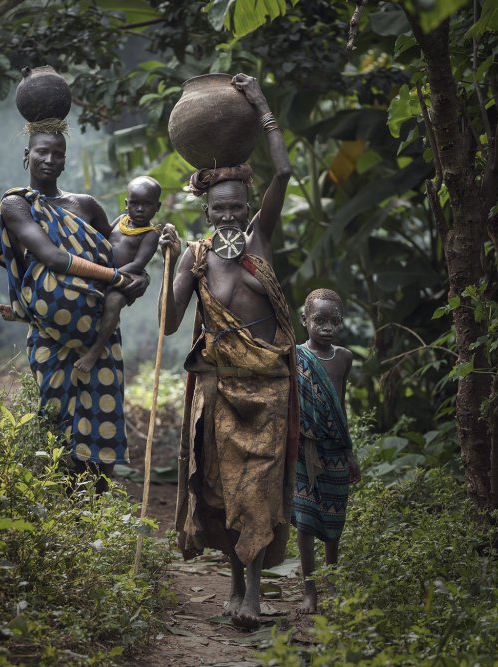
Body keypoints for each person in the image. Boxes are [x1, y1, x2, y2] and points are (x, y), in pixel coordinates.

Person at [158, 73, 296, 630]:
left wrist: (262, 103)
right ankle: (234, 590)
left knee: (259, 493)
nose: (231, 216)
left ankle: (254, 596)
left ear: (248, 205)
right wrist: (165, 263)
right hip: (219, 393)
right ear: (206, 212)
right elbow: (170, 324)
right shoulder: (195, 258)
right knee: (220, 494)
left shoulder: (261, 236)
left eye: (237, 207)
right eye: (220, 210)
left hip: (268, 390)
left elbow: (283, 170)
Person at [0, 120, 149, 490]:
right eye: (41, 152)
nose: (49, 159)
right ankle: (61, 506)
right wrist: (117, 279)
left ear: (65, 161)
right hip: (50, 336)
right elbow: (53, 258)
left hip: (100, 334)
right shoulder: (16, 205)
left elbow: (117, 253)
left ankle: (95, 508)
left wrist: (143, 267)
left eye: (57, 154)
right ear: (26, 156)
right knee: (56, 417)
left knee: (103, 415)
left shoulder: (87, 206)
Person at [1, 175, 163, 372]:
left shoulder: (151, 234)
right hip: (104, 271)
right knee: (63, 288)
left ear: (158, 207)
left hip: (122, 280)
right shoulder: (122, 220)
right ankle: (26, 312)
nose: (139, 209)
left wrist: (111, 276)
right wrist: (96, 267)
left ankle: (95, 350)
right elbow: (100, 238)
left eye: (146, 205)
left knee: (112, 303)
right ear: (126, 203)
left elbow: (138, 264)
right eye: (135, 204)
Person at [293, 288, 360, 614]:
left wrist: (349, 452)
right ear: (304, 319)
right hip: (304, 450)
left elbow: (340, 405)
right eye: (319, 320)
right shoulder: (293, 356)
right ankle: (310, 592)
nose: (326, 327)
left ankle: (332, 582)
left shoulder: (344, 358)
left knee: (335, 521)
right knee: (305, 522)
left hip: (335, 449)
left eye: (334, 321)